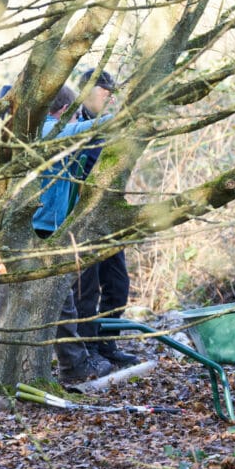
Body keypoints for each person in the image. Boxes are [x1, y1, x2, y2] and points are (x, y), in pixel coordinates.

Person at [32, 85, 114, 383]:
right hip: (43, 225)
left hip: (43, 223)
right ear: (65, 110)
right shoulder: (50, 130)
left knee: (48, 296)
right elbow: (85, 130)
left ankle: (66, 363)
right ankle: (74, 366)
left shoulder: (33, 129)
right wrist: (122, 115)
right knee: (60, 297)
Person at [69, 69, 140, 368]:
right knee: (86, 288)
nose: (110, 96)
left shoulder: (115, 126)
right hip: (82, 219)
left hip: (110, 216)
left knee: (118, 284)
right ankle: (88, 351)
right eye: (104, 91)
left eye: (112, 92)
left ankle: (106, 343)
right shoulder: (72, 125)